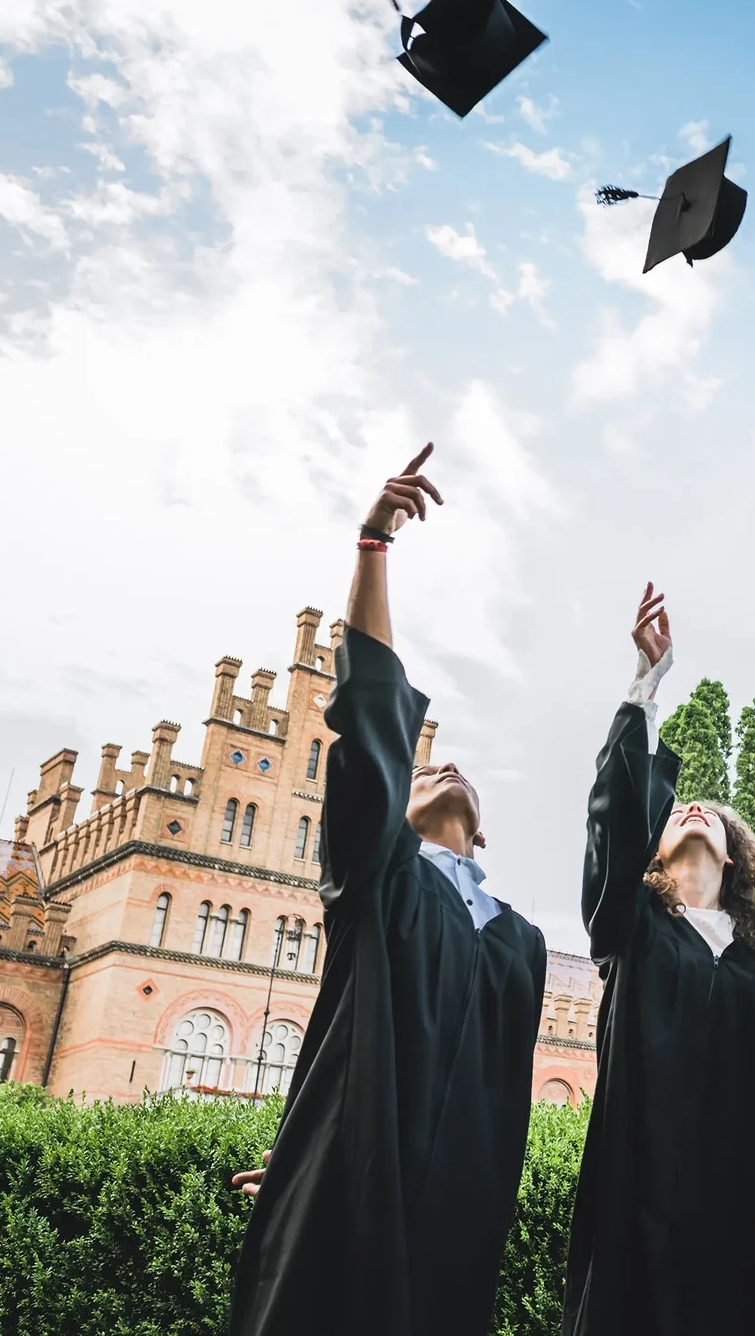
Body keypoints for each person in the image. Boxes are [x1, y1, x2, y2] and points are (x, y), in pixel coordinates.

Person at [229, 445, 548, 1336]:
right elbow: (369, 721)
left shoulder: (517, 939)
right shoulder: (380, 879)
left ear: (479, 828)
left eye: (459, 772)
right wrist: (373, 545)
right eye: (419, 770)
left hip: (458, 1214)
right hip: (360, 1189)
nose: (440, 764)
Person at [562, 584, 755, 1336]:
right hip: (632, 1209)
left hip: (734, 1222)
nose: (693, 808)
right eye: (677, 808)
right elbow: (612, 824)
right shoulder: (633, 925)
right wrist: (644, 686)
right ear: (650, 848)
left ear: (738, 857)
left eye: (710, 811)